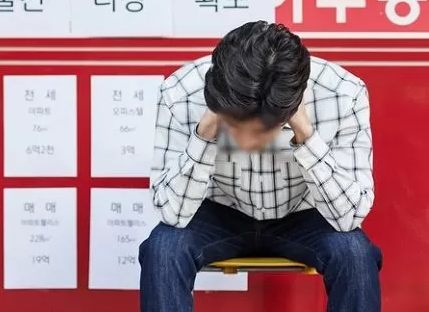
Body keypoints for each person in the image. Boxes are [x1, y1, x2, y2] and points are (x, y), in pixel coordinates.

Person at [139, 21, 381, 312]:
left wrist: (305, 134)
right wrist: (205, 133)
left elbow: (348, 217)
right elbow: (172, 213)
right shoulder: (181, 92)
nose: (248, 141)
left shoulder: (344, 94)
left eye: (265, 130)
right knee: (163, 248)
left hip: (304, 214)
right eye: (237, 126)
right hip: (218, 212)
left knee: (354, 252)